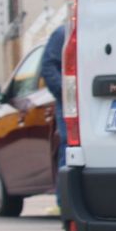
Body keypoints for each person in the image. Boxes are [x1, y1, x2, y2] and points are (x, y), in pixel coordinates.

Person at [39, 23, 67, 171]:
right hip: (71, 105)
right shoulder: (64, 33)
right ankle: (66, 194)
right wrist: (67, 93)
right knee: (70, 150)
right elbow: (48, 67)